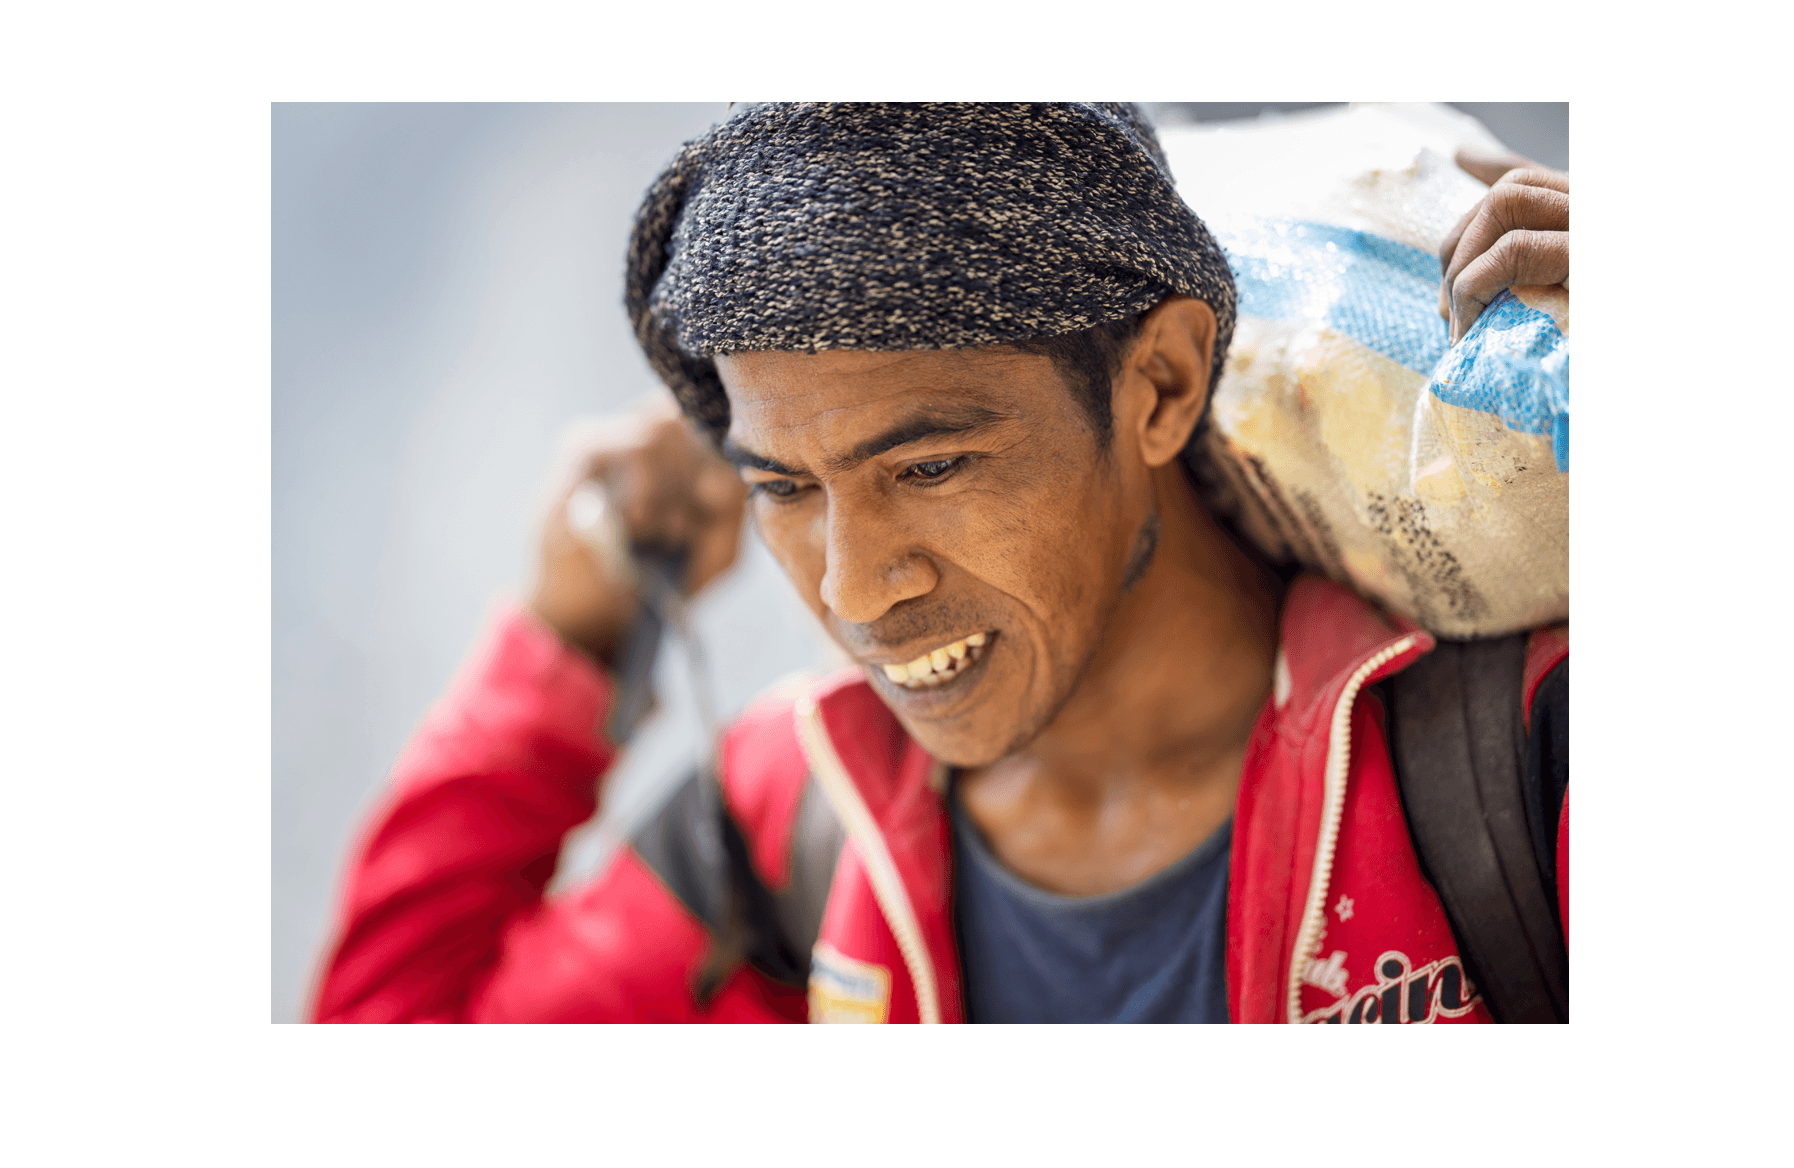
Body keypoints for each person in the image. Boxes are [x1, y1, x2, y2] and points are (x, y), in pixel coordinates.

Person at [309, 103, 1569, 1024]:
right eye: (784, 487)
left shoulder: (1516, 755)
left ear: (1161, 383)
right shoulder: (800, 826)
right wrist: (565, 650)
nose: (855, 592)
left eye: (929, 467)